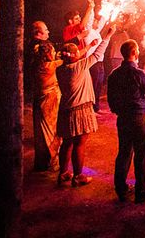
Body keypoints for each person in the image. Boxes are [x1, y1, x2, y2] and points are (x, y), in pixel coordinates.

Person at [56, 24, 115, 186]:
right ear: (74, 55)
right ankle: (78, 176)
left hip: (65, 110)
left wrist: (88, 45)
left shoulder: (61, 69)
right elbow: (97, 55)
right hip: (80, 110)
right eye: (78, 52)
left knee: (67, 143)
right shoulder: (79, 66)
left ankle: (63, 174)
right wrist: (108, 36)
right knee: (79, 144)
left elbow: (78, 54)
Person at [107, 39, 145, 203]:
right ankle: (141, 191)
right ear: (134, 53)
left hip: (123, 119)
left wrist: (119, 111)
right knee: (141, 155)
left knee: (124, 153)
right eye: (138, 50)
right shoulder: (138, 73)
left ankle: (121, 188)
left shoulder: (114, 74)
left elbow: (111, 100)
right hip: (138, 118)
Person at [31, 41, 62, 172]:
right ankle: (51, 162)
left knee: (40, 132)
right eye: (53, 51)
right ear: (47, 53)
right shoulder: (49, 66)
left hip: (39, 103)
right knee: (51, 131)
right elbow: (67, 59)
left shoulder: (36, 64)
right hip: (49, 103)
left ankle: (41, 162)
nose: (54, 53)